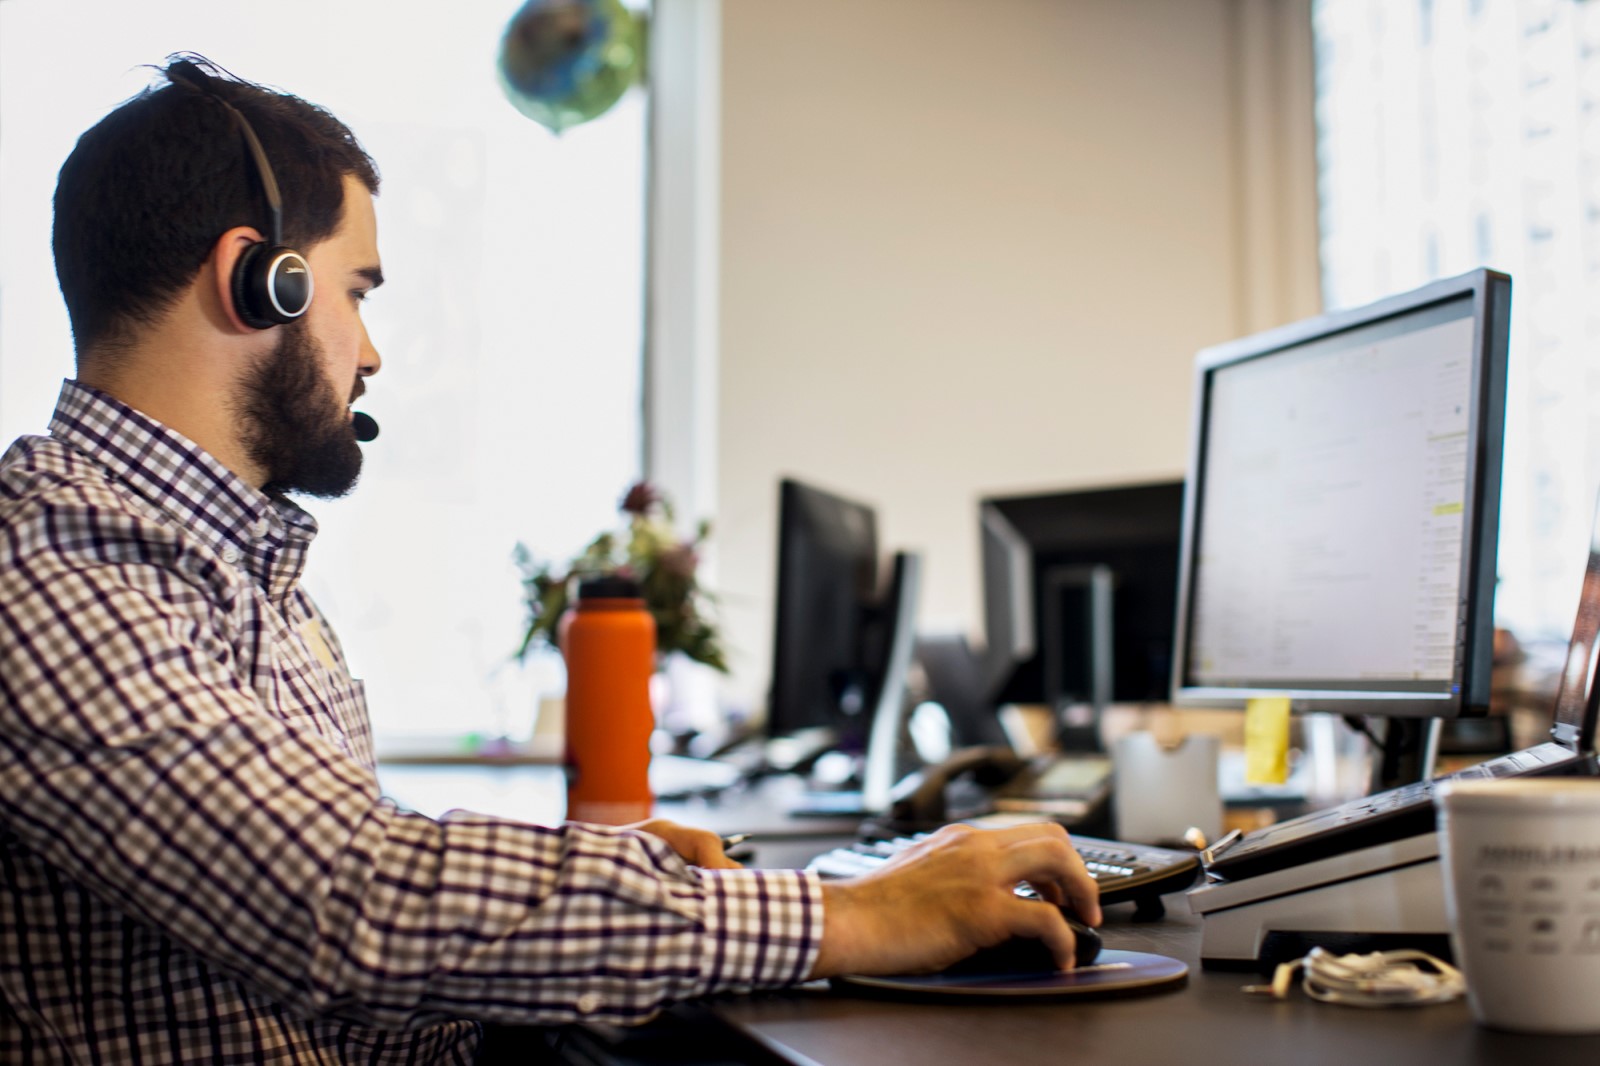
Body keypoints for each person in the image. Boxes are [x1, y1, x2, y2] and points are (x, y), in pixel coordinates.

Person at [0, 56, 1101, 1064]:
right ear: (260, 282)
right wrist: (857, 914)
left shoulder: (237, 568)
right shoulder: (49, 573)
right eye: (359, 292)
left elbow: (345, 891)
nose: (371, 350)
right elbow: (351, 901)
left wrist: (616, 884)